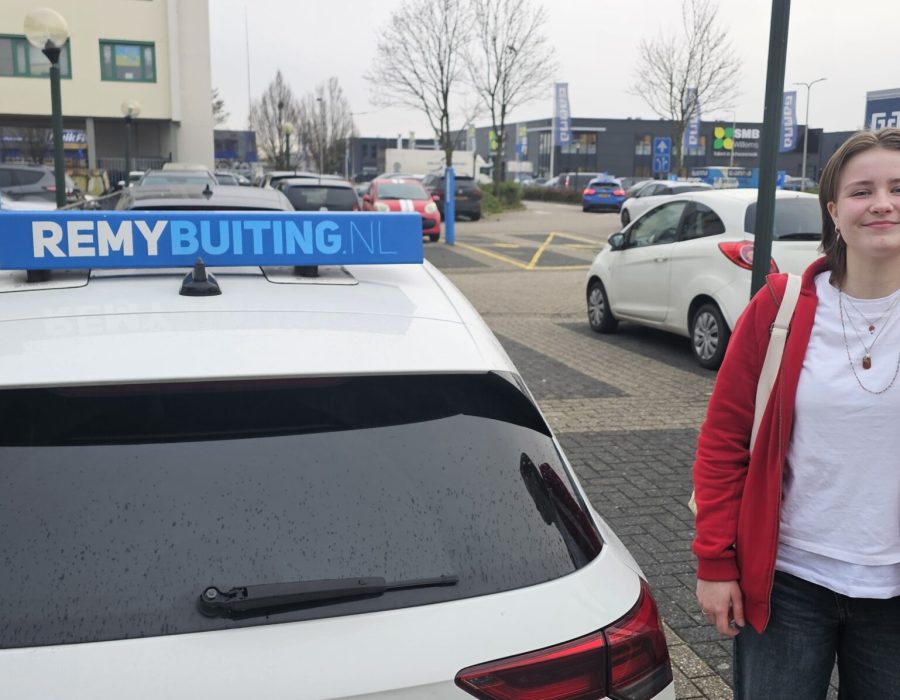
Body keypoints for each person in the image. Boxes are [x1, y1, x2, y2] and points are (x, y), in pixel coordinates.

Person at [692, 127, 900, 699]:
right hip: (789, 583)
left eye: (898, 187)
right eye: (863, 191)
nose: (883, 203)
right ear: (834, 211)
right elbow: (724, 441)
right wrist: (715, 562)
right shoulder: (780, 308)